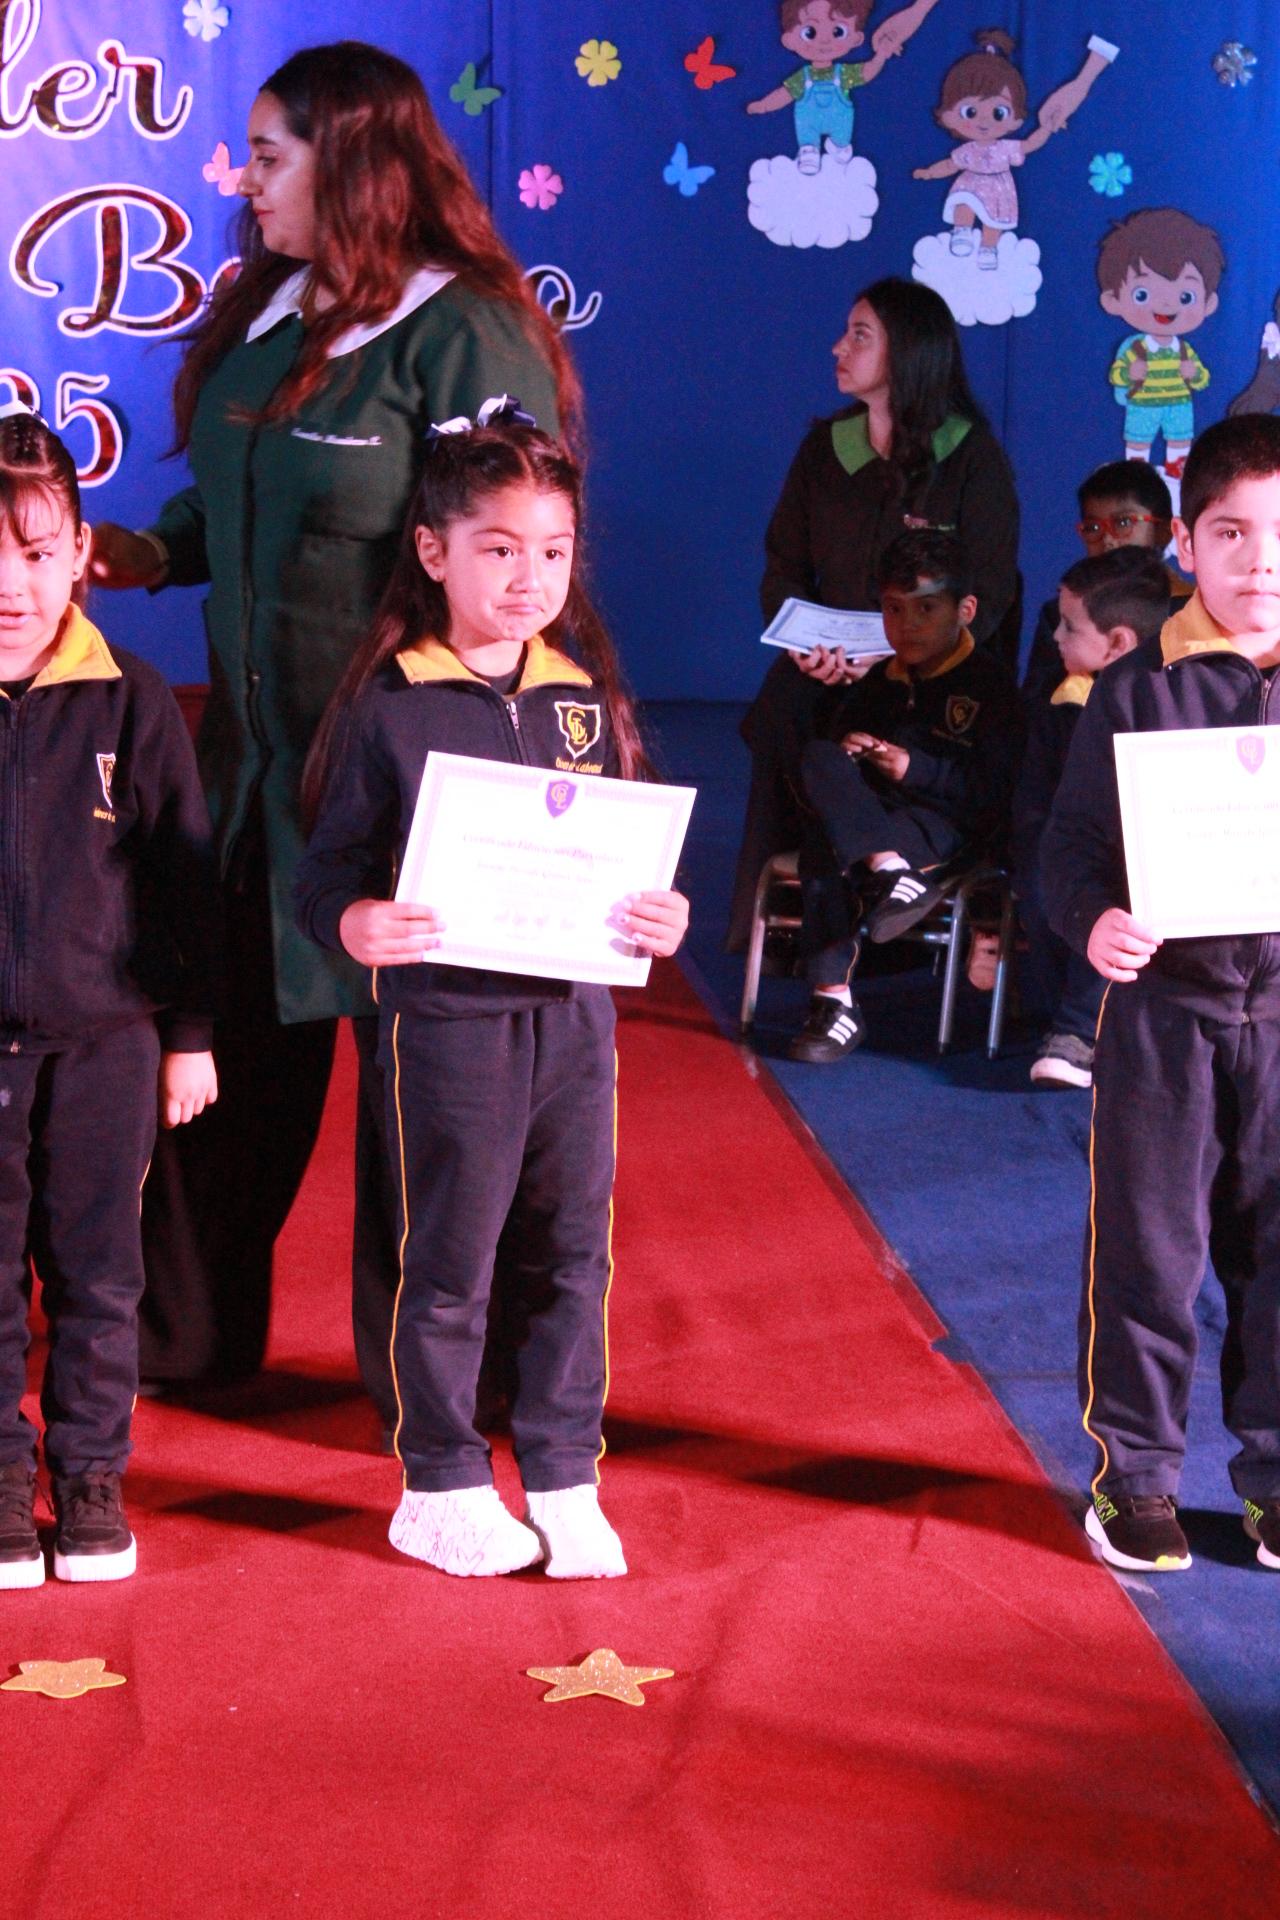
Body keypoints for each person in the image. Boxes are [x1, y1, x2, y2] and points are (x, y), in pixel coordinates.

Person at [89, 42, 575, 1422]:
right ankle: (178, 1341)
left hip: (412, 788)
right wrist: (146, 550)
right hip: (250, 779)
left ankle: (442, 1391)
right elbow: (240, 499)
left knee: (428, 1108)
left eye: (270, 156)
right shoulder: (271, 309)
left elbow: (513, 546)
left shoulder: (464, 328)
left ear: (353, 161)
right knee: (221, 1068)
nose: (246, 183)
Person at [295, 411, 689, 1579]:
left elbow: (622, 857)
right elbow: (325, 875)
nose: (529, 579)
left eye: (552, 551)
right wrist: (353, 923)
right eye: (499, 549)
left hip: (572, 1021)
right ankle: (440, 1479)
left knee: (572, 1252)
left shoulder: (582, 696)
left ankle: (563, 1471)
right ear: (433, 553)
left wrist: (656, 914)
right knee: (449, 1259)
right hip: (448, 1024)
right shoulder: (389, 701)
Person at [1041, 412, 1280, 1576]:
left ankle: (1271, 1477)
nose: (1259, 563)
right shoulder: (1134, 689)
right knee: (1147, 1251)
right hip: (1163, 1021)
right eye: (1229, 534)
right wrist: (1093, 920)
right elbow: (1068, 851)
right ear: (1184, 545)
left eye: (1279, 535)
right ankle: (1133, 1477)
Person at [0, 409, 219, 1589]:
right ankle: (0, 1477)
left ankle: (88, 1476)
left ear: (83, 552)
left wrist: (188, 1035)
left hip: (106, 1045)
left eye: (39, 555)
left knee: (98, 1275)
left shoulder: (130, 697)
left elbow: (183, 883)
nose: (13, 586)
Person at [728, 276, 1020, 952]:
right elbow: (784, 564)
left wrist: (900, 655)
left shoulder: (971, 457)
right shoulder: (825, 448)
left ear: (909, 351)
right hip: (830, 662)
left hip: (928, 671)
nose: (839, 347)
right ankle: (806, 932)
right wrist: (802, 643)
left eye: (860, 335)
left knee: (904, 730)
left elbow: (993, 588)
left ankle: (887, 892)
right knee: (783, 708)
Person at [786, 530, 1020, 1063]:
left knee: (828, 847)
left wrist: (916, 770)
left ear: (965, 610)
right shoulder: (877, 681)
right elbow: (831, 772)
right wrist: (853, 753)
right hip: (875, 821)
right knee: (820, 757)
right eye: (893, 609)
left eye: (926, 608)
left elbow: (993, 792)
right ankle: (887, 870)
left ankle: (833, 1001)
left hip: (943, 826)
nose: (907, 624)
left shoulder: (991, 685)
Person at [1013, 547, 1167, 1089]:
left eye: (1069, 627)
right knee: (1053, 876)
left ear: (1119, 643)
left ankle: (1079, 1032)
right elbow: (1040, 803)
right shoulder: (1060, 702)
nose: (1054, 638)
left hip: (1142, 861)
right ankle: (1066, 1021)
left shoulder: (1169, 697)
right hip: (1068, 849)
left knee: (1121, 888)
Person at [1021, 460, 1185, 700]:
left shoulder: (1190, 610)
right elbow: (1038, 704)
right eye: (1093, 527)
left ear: (1164, 531)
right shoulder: (1060, 615)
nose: (1108, 540)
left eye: (1123, 523)